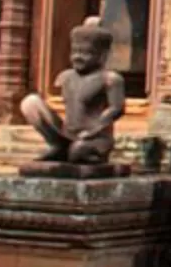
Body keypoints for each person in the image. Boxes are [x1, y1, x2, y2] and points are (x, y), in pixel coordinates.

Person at [20, 16, 126, 164]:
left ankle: (72, 150)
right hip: (67, 133)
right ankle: (57, 144)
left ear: (102, 55)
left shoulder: (110, 79)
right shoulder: (66, 77)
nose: (78, 57)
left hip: (96, 138)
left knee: (78, 151)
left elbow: (116, 109)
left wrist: (92, 131)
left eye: (86, 53)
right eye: (75, 52)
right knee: (30, 103)